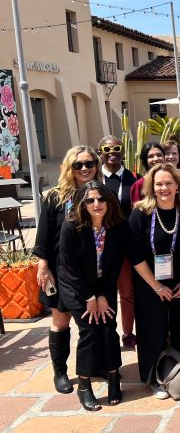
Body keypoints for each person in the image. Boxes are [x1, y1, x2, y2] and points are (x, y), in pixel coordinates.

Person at [129, 164, 180, 397]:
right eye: (158, 184)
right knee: (153, 328)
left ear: (177, 185)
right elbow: (135, 256)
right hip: (149, 282)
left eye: (168, 183)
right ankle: (155, 378)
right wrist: (156, 286)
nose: (164, 188)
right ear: (151, 187)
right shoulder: (140, 213)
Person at [34, 146, 101, 394]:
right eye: (78, 164)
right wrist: (43, 266)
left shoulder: (99, 193)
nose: (84, 168)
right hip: (61, 271)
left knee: (92, 321)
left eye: (89, 163)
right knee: (61, 320)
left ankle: (93, 365)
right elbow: (44, 233)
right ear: (69, 167)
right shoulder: (56, 197)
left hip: (92, 270)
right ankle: (60, 372)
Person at [58, 182, 129, 410]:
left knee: (108, 329)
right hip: (77, 288)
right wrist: (89, 297)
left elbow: (115, 264)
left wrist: (103, 295)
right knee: (89, 331)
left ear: (108, 201)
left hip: (104, 286)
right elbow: (70, 268)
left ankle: (113, 377)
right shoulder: (71, 227)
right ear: (82, 204)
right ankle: (84, 386)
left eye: (100, 199)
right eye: (90, 200)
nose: (96, 204)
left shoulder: (118, 226)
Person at [98, 136, 139, 351]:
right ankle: (106, 334)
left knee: (127, 293)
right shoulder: (94, 180)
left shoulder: (135, 179)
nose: (112, 152)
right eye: (107, 148)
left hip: (125, 246)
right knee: (103, 293)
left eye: (117, 148)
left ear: (123, 151)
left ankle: (128, 333)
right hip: (100, 247)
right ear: (100, 153)